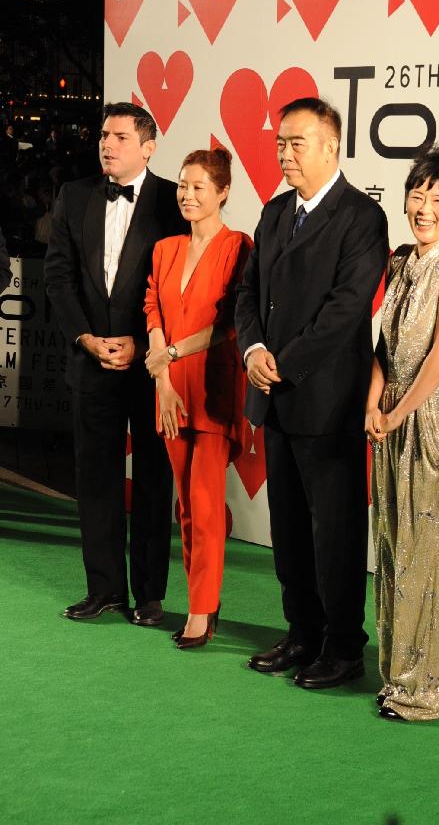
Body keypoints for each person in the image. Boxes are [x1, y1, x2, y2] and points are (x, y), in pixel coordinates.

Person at [235, 97, 389, 689]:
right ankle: (301, 632)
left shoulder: (360, 217)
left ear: (332, 146)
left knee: (337, 531)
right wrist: (253, 352)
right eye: (280, 143)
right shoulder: (273, 213)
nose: (284, 154)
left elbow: (348, 309)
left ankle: (343, 645)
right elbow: (247, 294)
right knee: (290, 527)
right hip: (273, 398)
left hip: (326, 401)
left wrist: (285, 363)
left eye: (296, 143)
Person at [45, 102, 182, 626]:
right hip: (90, 362)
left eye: (120, 137)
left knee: (152, 479)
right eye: (104, 135)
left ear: (148, 146)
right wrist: (86, 338)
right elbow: (58, 277)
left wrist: (140, 341)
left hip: (151, 366)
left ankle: (148, 596)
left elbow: (179, 286)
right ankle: (103, 589)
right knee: (96, 479)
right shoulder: (74, 195)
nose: (107, 144)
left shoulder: (175, 200)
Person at [366, 144, 439, 721]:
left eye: (438, 198)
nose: (424, 207)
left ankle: (423, 688)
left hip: (429, 418)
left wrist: (397, 412)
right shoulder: (399, 259)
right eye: (417, 194)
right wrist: (372, 402)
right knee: (391, 540)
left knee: (426, 547)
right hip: (387, 413)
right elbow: (383, 344)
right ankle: (394, 673)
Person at [144, 148, 251, 649]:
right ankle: (201, 598)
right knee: (185, 505)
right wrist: (162, 377)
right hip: (169, 390)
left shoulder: (238, 247)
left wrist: (168, 353)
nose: (187, 195)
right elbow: (153, 308)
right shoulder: (164, 248)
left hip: (212, 388)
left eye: (198, 187)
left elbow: (231, 322)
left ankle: (202, 609)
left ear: (223, 191)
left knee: (206, 502)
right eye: (183, 186)